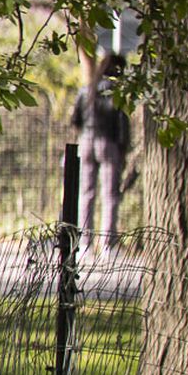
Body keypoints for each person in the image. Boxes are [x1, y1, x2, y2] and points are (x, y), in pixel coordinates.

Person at [73, 51, 131, 254]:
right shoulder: (116, 92)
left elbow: (76, 120)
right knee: (110, 195)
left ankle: (84, 244)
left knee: (86, 194)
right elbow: (122, 124)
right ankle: (108, 244)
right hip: (108, 144)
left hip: (86, 142)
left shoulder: (86, 90)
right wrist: (123, 150)